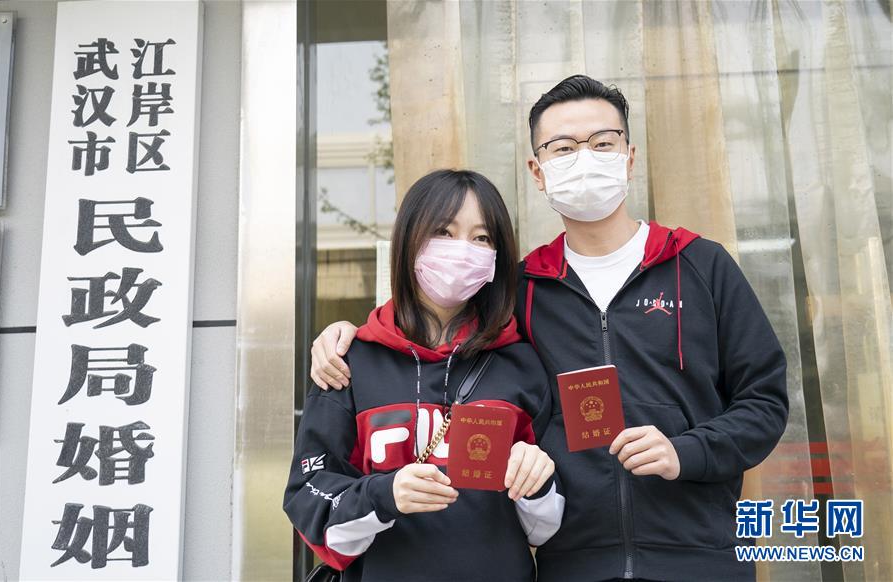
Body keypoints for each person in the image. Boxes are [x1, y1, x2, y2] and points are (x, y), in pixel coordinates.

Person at [310, 75, 789, 581]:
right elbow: (431, 329)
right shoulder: (520, 290)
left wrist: (685, 451)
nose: (585, 159)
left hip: (699, 557)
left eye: (602, 143)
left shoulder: (699, 266)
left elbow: (764, 401)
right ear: (538, 172)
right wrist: (347, 334)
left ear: (629, 157)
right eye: (563, 148)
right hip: (573, 563)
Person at [284, 169, 564, 582]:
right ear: (409, 240)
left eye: (481, 238)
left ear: (496, 257)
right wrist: (383, 495)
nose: (462, 250)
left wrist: (537, 483)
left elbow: (545, 528)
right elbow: (309, 499)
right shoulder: (348, 362)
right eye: (444, 232)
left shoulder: (521, 365)